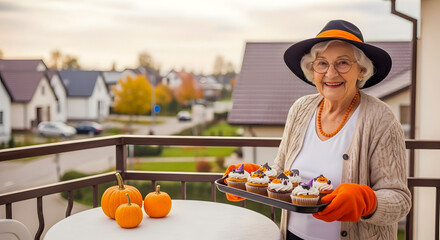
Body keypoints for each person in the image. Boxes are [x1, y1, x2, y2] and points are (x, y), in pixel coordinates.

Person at [224, 20, 411, 240]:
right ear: (312, 71)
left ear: (361, 70)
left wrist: (367, 202)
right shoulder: (300, 109)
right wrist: (256, 176)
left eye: (343, 63)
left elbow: (400, 200)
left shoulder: (381, 119)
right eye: (322, 63)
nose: (331, 73)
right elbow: (283, 170)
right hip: (293, 235)